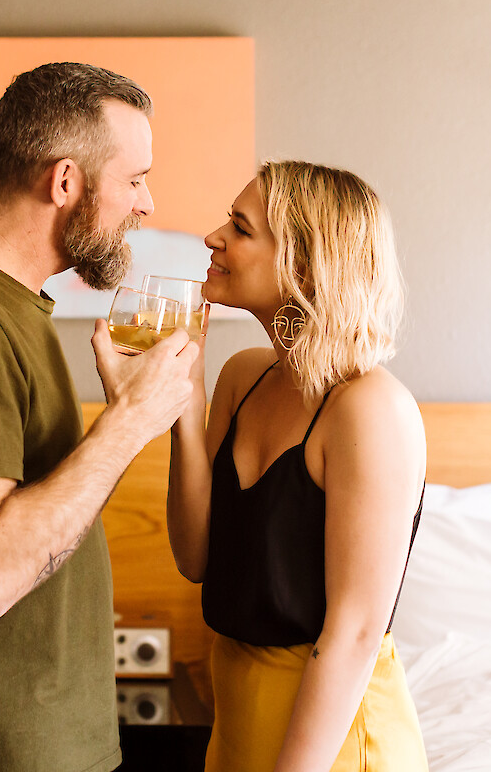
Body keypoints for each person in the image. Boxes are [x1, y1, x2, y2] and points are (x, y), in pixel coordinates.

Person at [0, 62, 199, 772]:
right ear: (64, 183)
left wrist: (123, 417)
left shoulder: (8, 307)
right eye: (135, 178)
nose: (148, 202)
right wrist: (129, 426)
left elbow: (37, 517)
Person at [167, 161, 429, 771]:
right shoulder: (241, 377)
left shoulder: (370, 409)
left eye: (240, 227)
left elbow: (356, 635)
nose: (213, 238)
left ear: (305, 264)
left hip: (330, 743)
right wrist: (185, 402)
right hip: (236, 725)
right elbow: (194, 557)